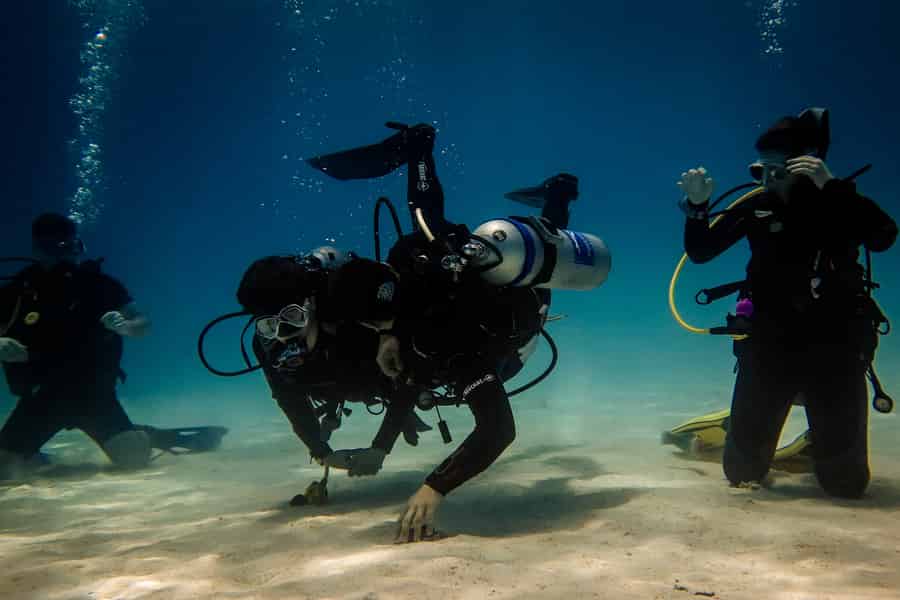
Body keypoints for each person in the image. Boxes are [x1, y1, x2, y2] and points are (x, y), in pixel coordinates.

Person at [306, 123, 608, 541]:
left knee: (540, 275)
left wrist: (436, 486)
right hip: (474, 261)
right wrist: (382, 444)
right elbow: (424, 208)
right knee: (430, 219)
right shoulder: (409, 255)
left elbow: (499, 430)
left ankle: (559, 196)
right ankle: (436, 151)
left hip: (516, 325)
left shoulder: (451, 343)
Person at [677, 108, 897, 498]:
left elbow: (882, 236)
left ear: (806, 167)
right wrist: (697, 208)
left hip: (836, 350)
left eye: (778, 171)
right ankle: (735, 429)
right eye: (760, 171)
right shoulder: (758, 207)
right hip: (768, 346)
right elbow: (701, 251)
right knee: (742, 474)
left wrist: (832, 187)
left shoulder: (838, 202)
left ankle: (818, 442)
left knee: (846, 486)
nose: (767, 181)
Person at [0, 213, 226, 480]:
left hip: (93, 395)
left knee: (133, 460)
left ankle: (149, 435)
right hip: (39, 397)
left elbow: (143, 323)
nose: (65, 258)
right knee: (4, 469)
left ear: (78, 246)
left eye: (70, 248)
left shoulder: (100, 286)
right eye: (53, 249)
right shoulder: (17, 291)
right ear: (38, 250)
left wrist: (126, 327)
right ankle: (32, 453)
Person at [234, 246, 431, 485]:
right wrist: (321, 451)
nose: (283, 335)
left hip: (378, 379)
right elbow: (288, 399)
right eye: (269, 325)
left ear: (311, 304)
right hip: (338, 385)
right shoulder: (267, 345)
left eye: (293, 317)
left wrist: (381, 446)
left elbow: (410, 376)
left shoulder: (354, 315)